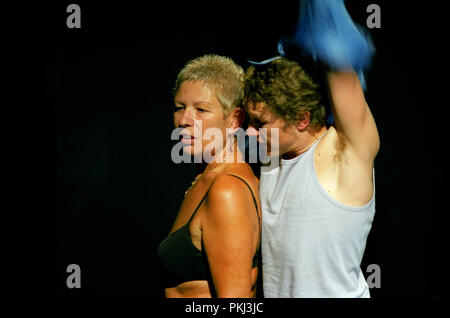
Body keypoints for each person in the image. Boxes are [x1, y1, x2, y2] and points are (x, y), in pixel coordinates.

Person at [243, 1, 379, 297]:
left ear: (302, 119)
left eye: (260, 123)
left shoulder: (344, 153)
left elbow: (338, 54)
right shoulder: (272, 155)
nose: (249, 131)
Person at [158, 55, 261, 298]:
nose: (184, 120)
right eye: (180, 107)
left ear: (235, 118)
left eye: (201, 110)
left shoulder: (227, 191)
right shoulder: (207, 176)